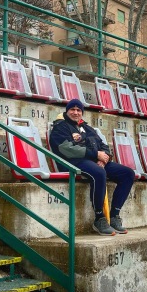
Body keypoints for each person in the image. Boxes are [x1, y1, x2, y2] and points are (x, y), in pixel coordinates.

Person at [49, 99, 135, 236]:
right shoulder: (61, 126)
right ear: (67, 111)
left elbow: (103, 145)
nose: (75, 112)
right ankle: (99, 218)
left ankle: (114, 216)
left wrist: (104, 158)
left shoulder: (87, 128)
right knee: (98, 173)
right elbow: (65, 148)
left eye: (79, 110)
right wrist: (96, 154)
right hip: (73, 162)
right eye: (72, 109)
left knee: (128, 174)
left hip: (95, 161)